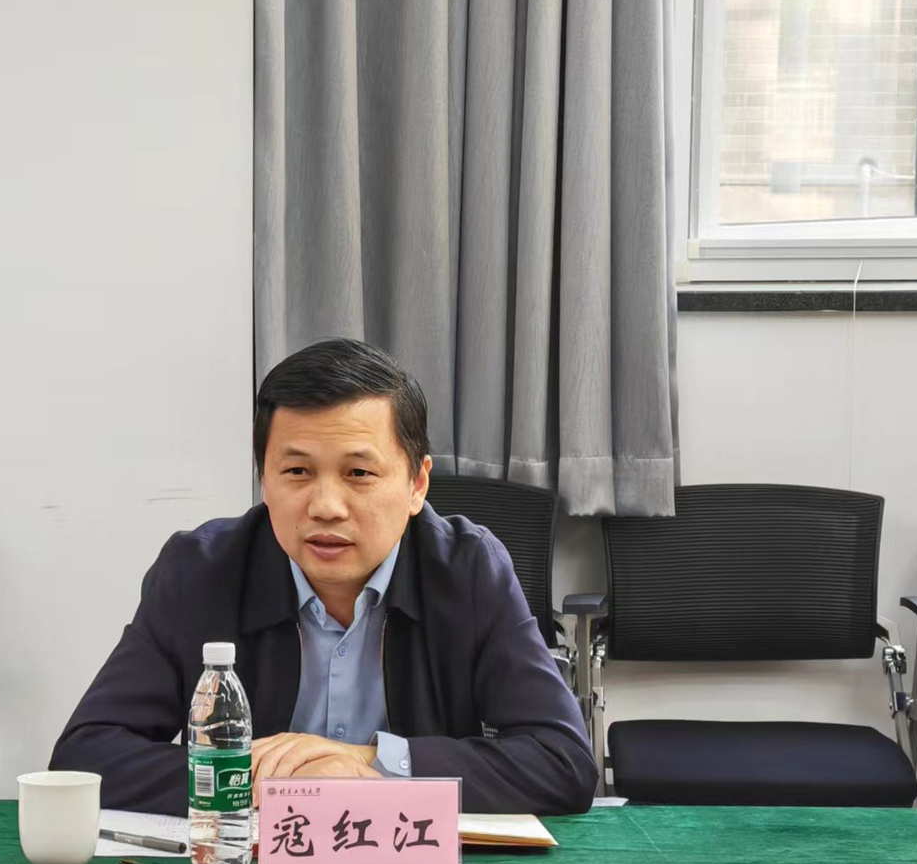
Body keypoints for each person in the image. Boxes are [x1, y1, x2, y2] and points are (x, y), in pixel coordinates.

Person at [49, 339, 597, 815]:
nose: (326, 506)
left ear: (417, 484)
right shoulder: (200, 571)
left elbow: (561, 761)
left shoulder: (469, 570)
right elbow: (85, 757)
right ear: (263, 478)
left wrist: (369, 764)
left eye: (359, 472)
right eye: (297, 471)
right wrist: (257, 778)